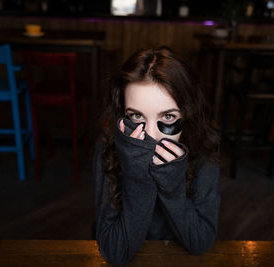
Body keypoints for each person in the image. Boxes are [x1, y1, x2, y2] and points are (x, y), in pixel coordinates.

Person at [93, 47, 220, 265]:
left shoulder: (203, 153)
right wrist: (138, 176)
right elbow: (114, 250)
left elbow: (200, 241)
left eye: (168, 117)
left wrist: (172, 187)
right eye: (136, 115)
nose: (151, 136)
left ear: (187, 114)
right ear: (122, 114)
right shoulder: (110, 147)